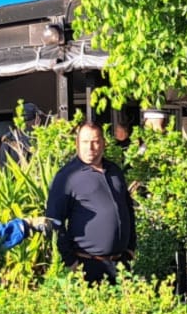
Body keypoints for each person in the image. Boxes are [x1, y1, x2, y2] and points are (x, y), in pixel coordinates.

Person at [42, 121, 137, 283]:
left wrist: (131, 248)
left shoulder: (114, 170)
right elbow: (54, 221)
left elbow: (128, 208)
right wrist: (70, 261)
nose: (90, 147)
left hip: (121, 264)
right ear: (77, 144)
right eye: (85, 142)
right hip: (88, 264)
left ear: (103, 143)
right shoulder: (67, 176)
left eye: (95, 142)